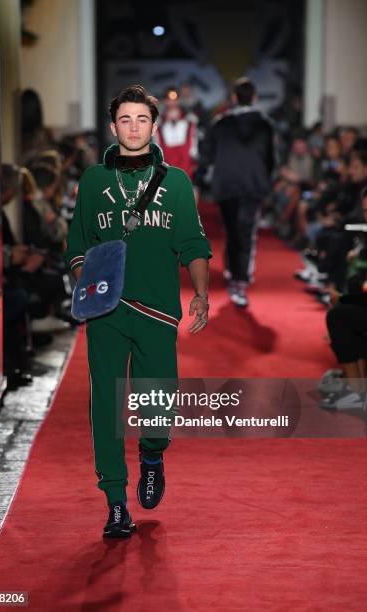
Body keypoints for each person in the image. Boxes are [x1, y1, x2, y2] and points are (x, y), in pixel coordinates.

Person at [64, 85, 212, 538]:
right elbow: (77, 244)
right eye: (125, 120)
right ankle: (114, 502)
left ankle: (152, 453)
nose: (133, 127)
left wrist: (202, 293)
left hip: (158, 311)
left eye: (141, 120)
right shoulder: (92, 181)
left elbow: (192, 241)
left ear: (154, 125)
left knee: (158, 403)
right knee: (105, 405)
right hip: (107, 311)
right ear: (113, 127)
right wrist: (83, 283)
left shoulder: (177, 182)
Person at [194, 77, 276, 307]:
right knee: (246, 231)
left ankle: (234, 273)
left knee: (232, 230)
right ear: (255, 97)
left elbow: (206, 155)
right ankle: (239, 280)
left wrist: (198, 181)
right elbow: (271, 159)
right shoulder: (265, 124)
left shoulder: (219, 124)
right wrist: (266, 180)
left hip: (226, 184)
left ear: (233, 98)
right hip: (253, 184)